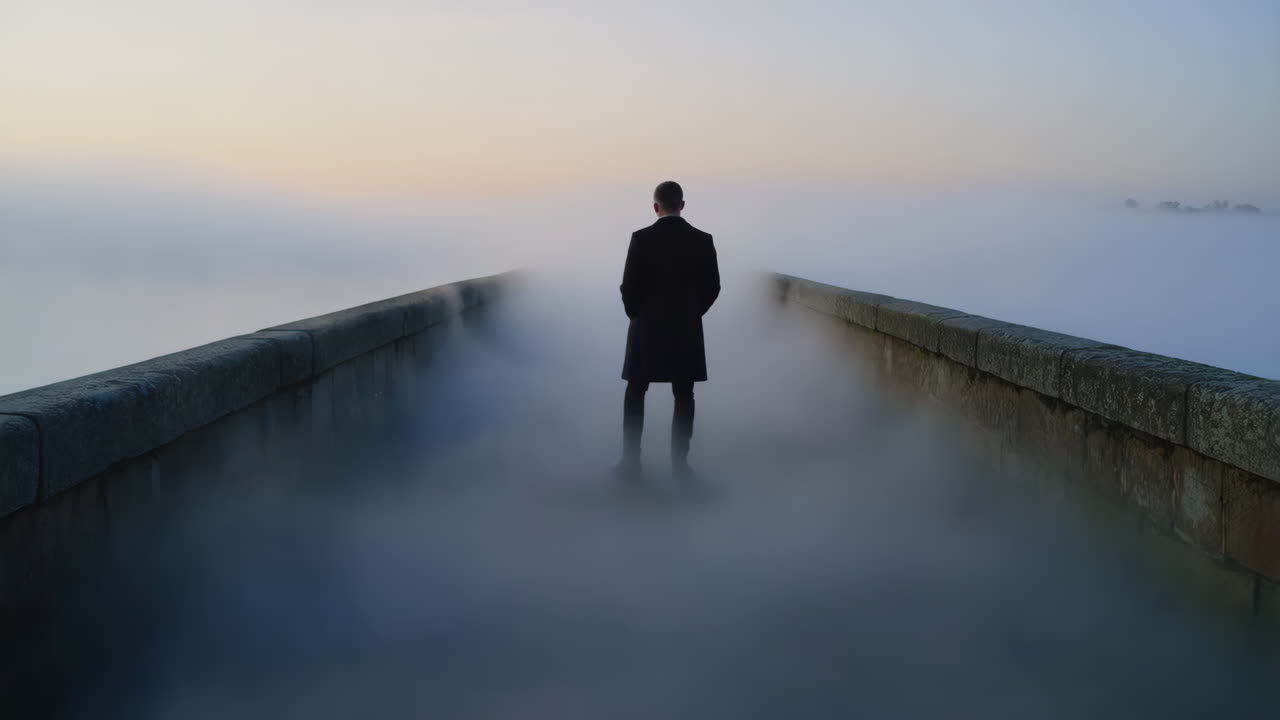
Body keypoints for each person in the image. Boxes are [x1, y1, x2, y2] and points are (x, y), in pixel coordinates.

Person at [617, 181, 720, 479]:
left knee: (636, 389)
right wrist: (692, 313)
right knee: (684, 394)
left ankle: (630, 462)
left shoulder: (641, 238)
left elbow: (629, 286)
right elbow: (713, 287)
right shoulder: (702, 239)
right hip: (685, 328)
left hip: (646, 328)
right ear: (682, 205)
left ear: (655, 207)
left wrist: (636, 315)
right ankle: (680, 465)